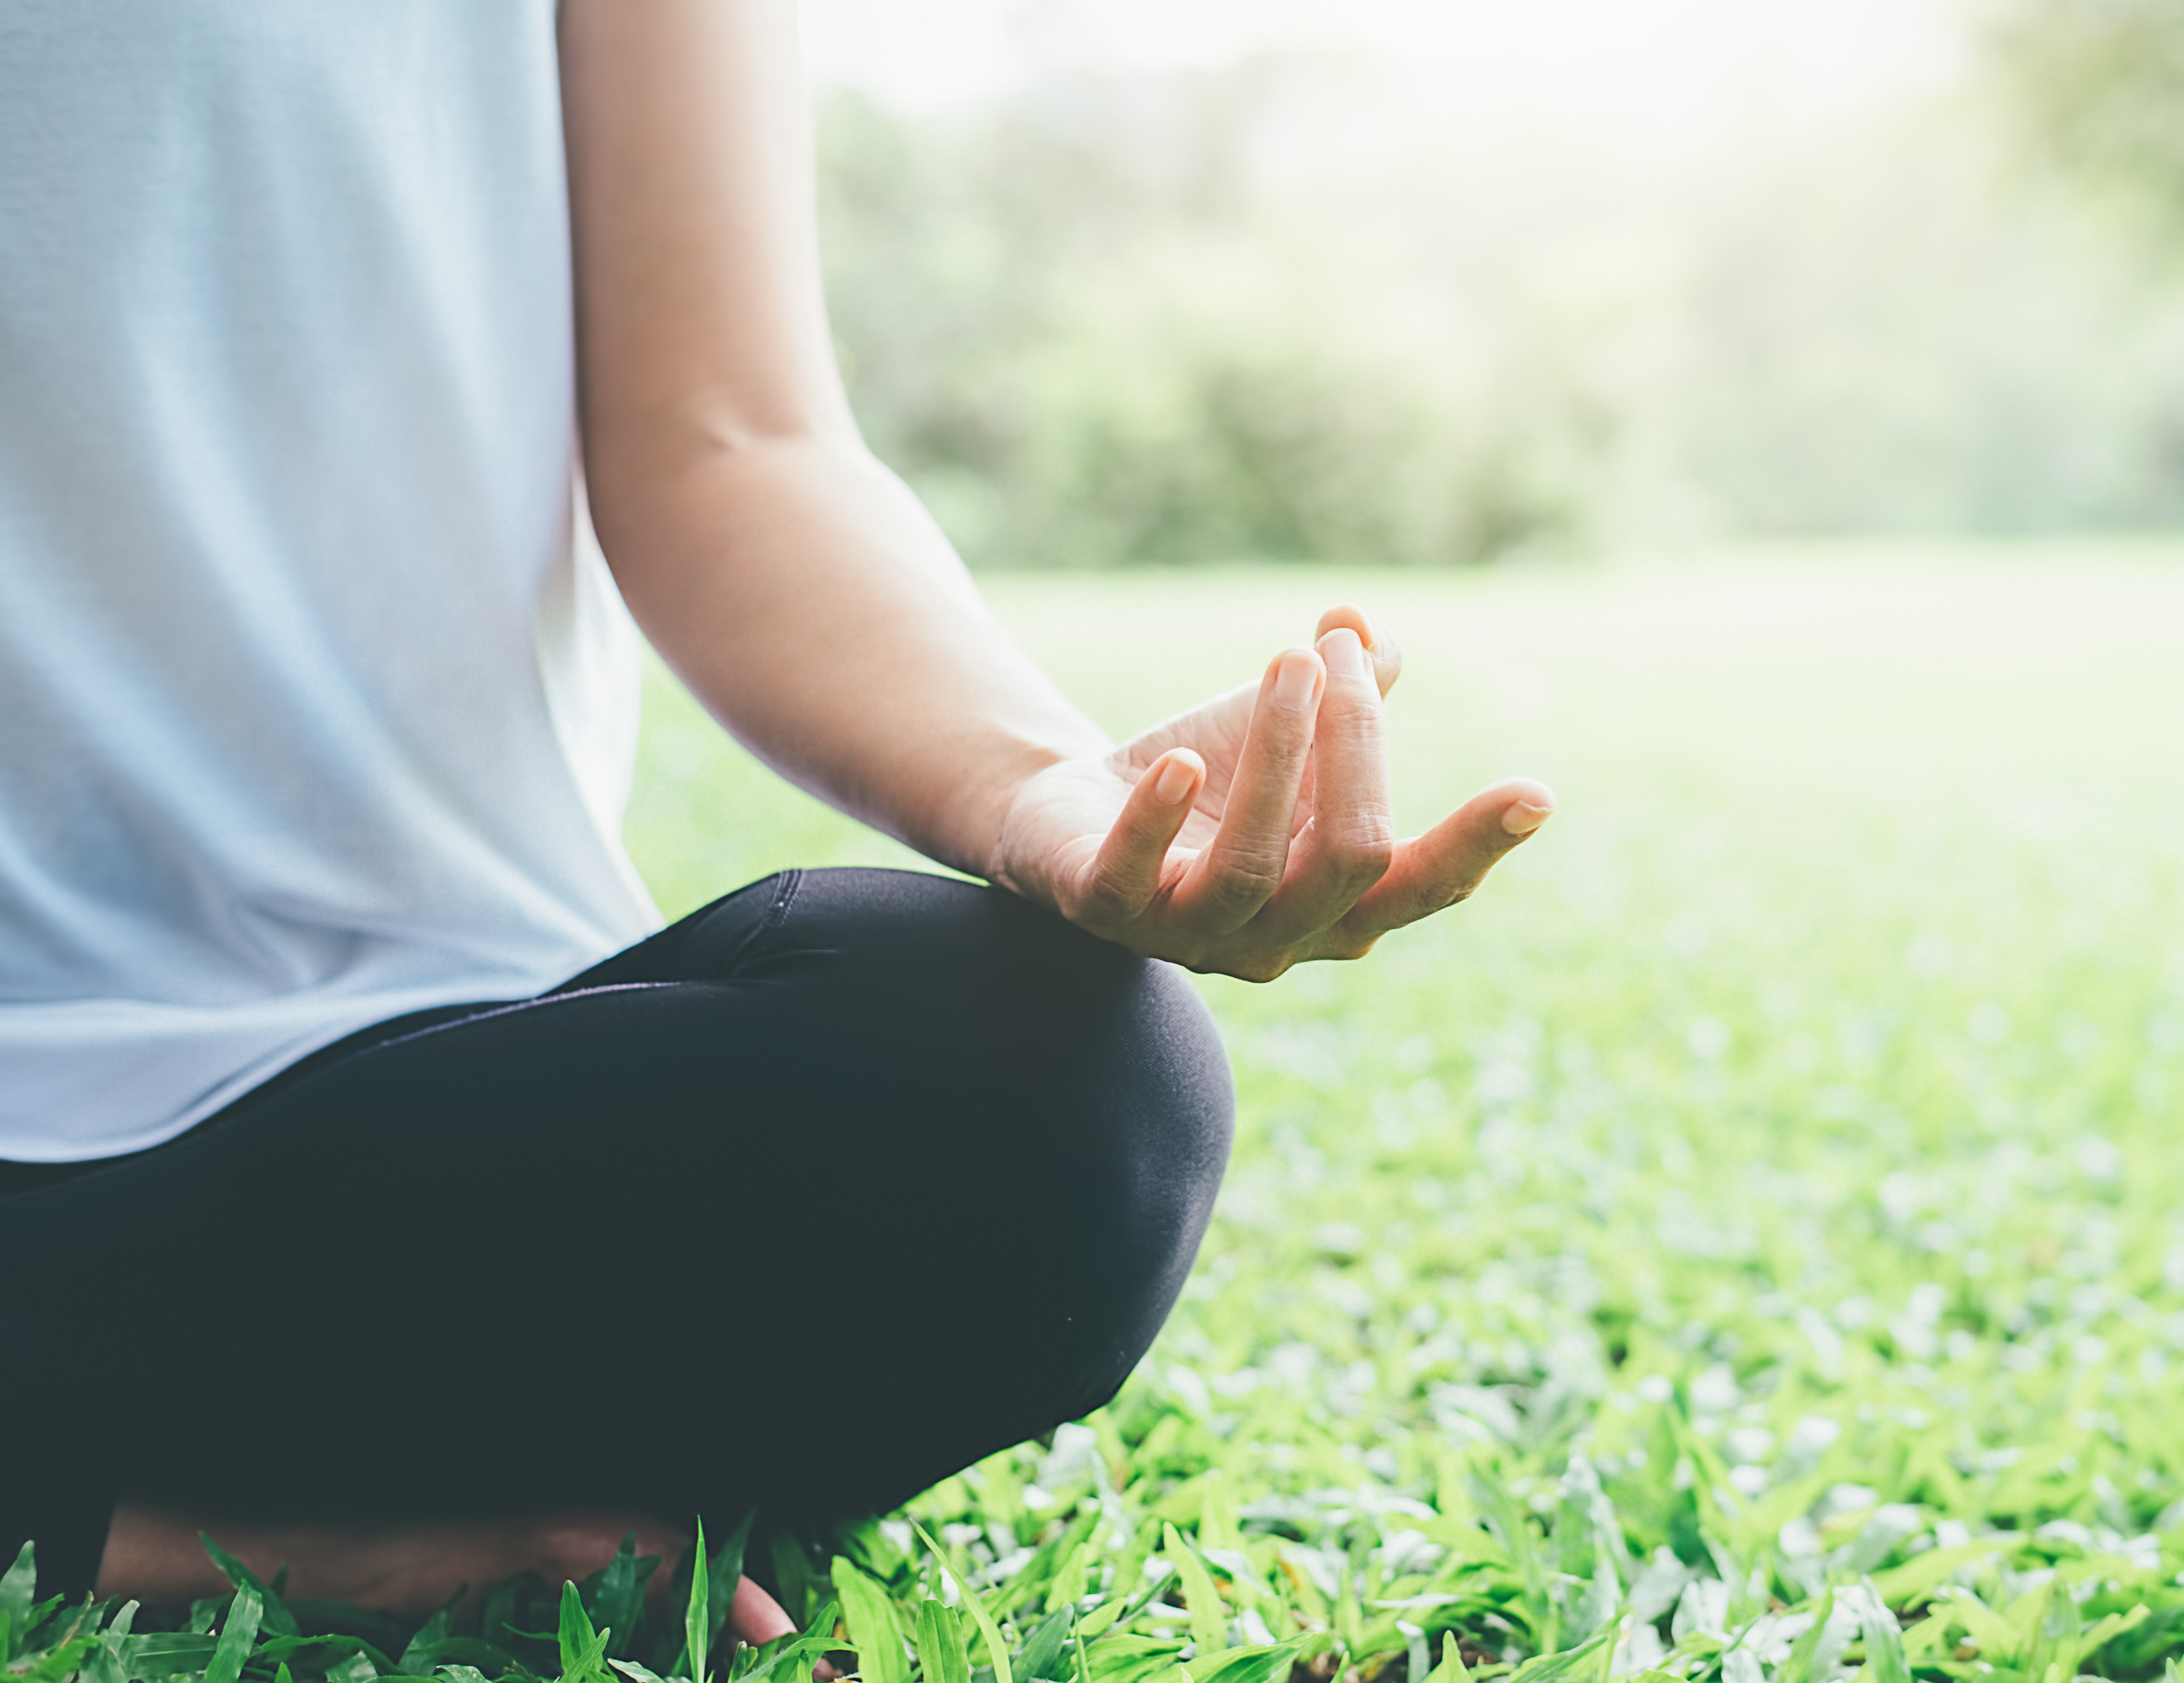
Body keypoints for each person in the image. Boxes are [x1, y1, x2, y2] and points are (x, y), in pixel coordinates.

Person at [0, 0, 1553, 1639]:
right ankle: (168, 1519)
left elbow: (732, 435)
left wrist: (1049, 797)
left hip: (394, 1099)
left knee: (1064, 1087)